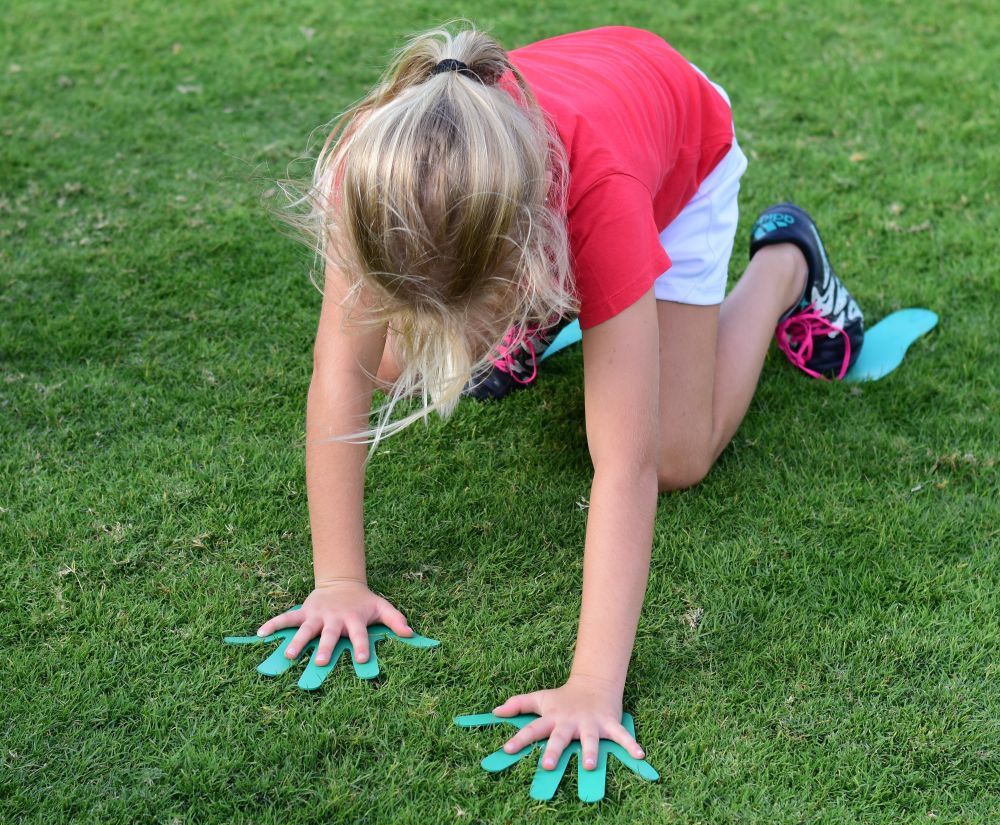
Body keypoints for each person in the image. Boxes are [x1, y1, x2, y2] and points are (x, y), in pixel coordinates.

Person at [257, 22, 865, 773]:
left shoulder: (601, 207)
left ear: (528, 267)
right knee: (385, 361)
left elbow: (628, 467)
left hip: (677, 149)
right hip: (543, 153)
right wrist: (339, 581)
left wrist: (592, 686)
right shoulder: (375, 169)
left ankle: (785, 265)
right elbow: (339, 374)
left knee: (678, 453)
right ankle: (521, 327)